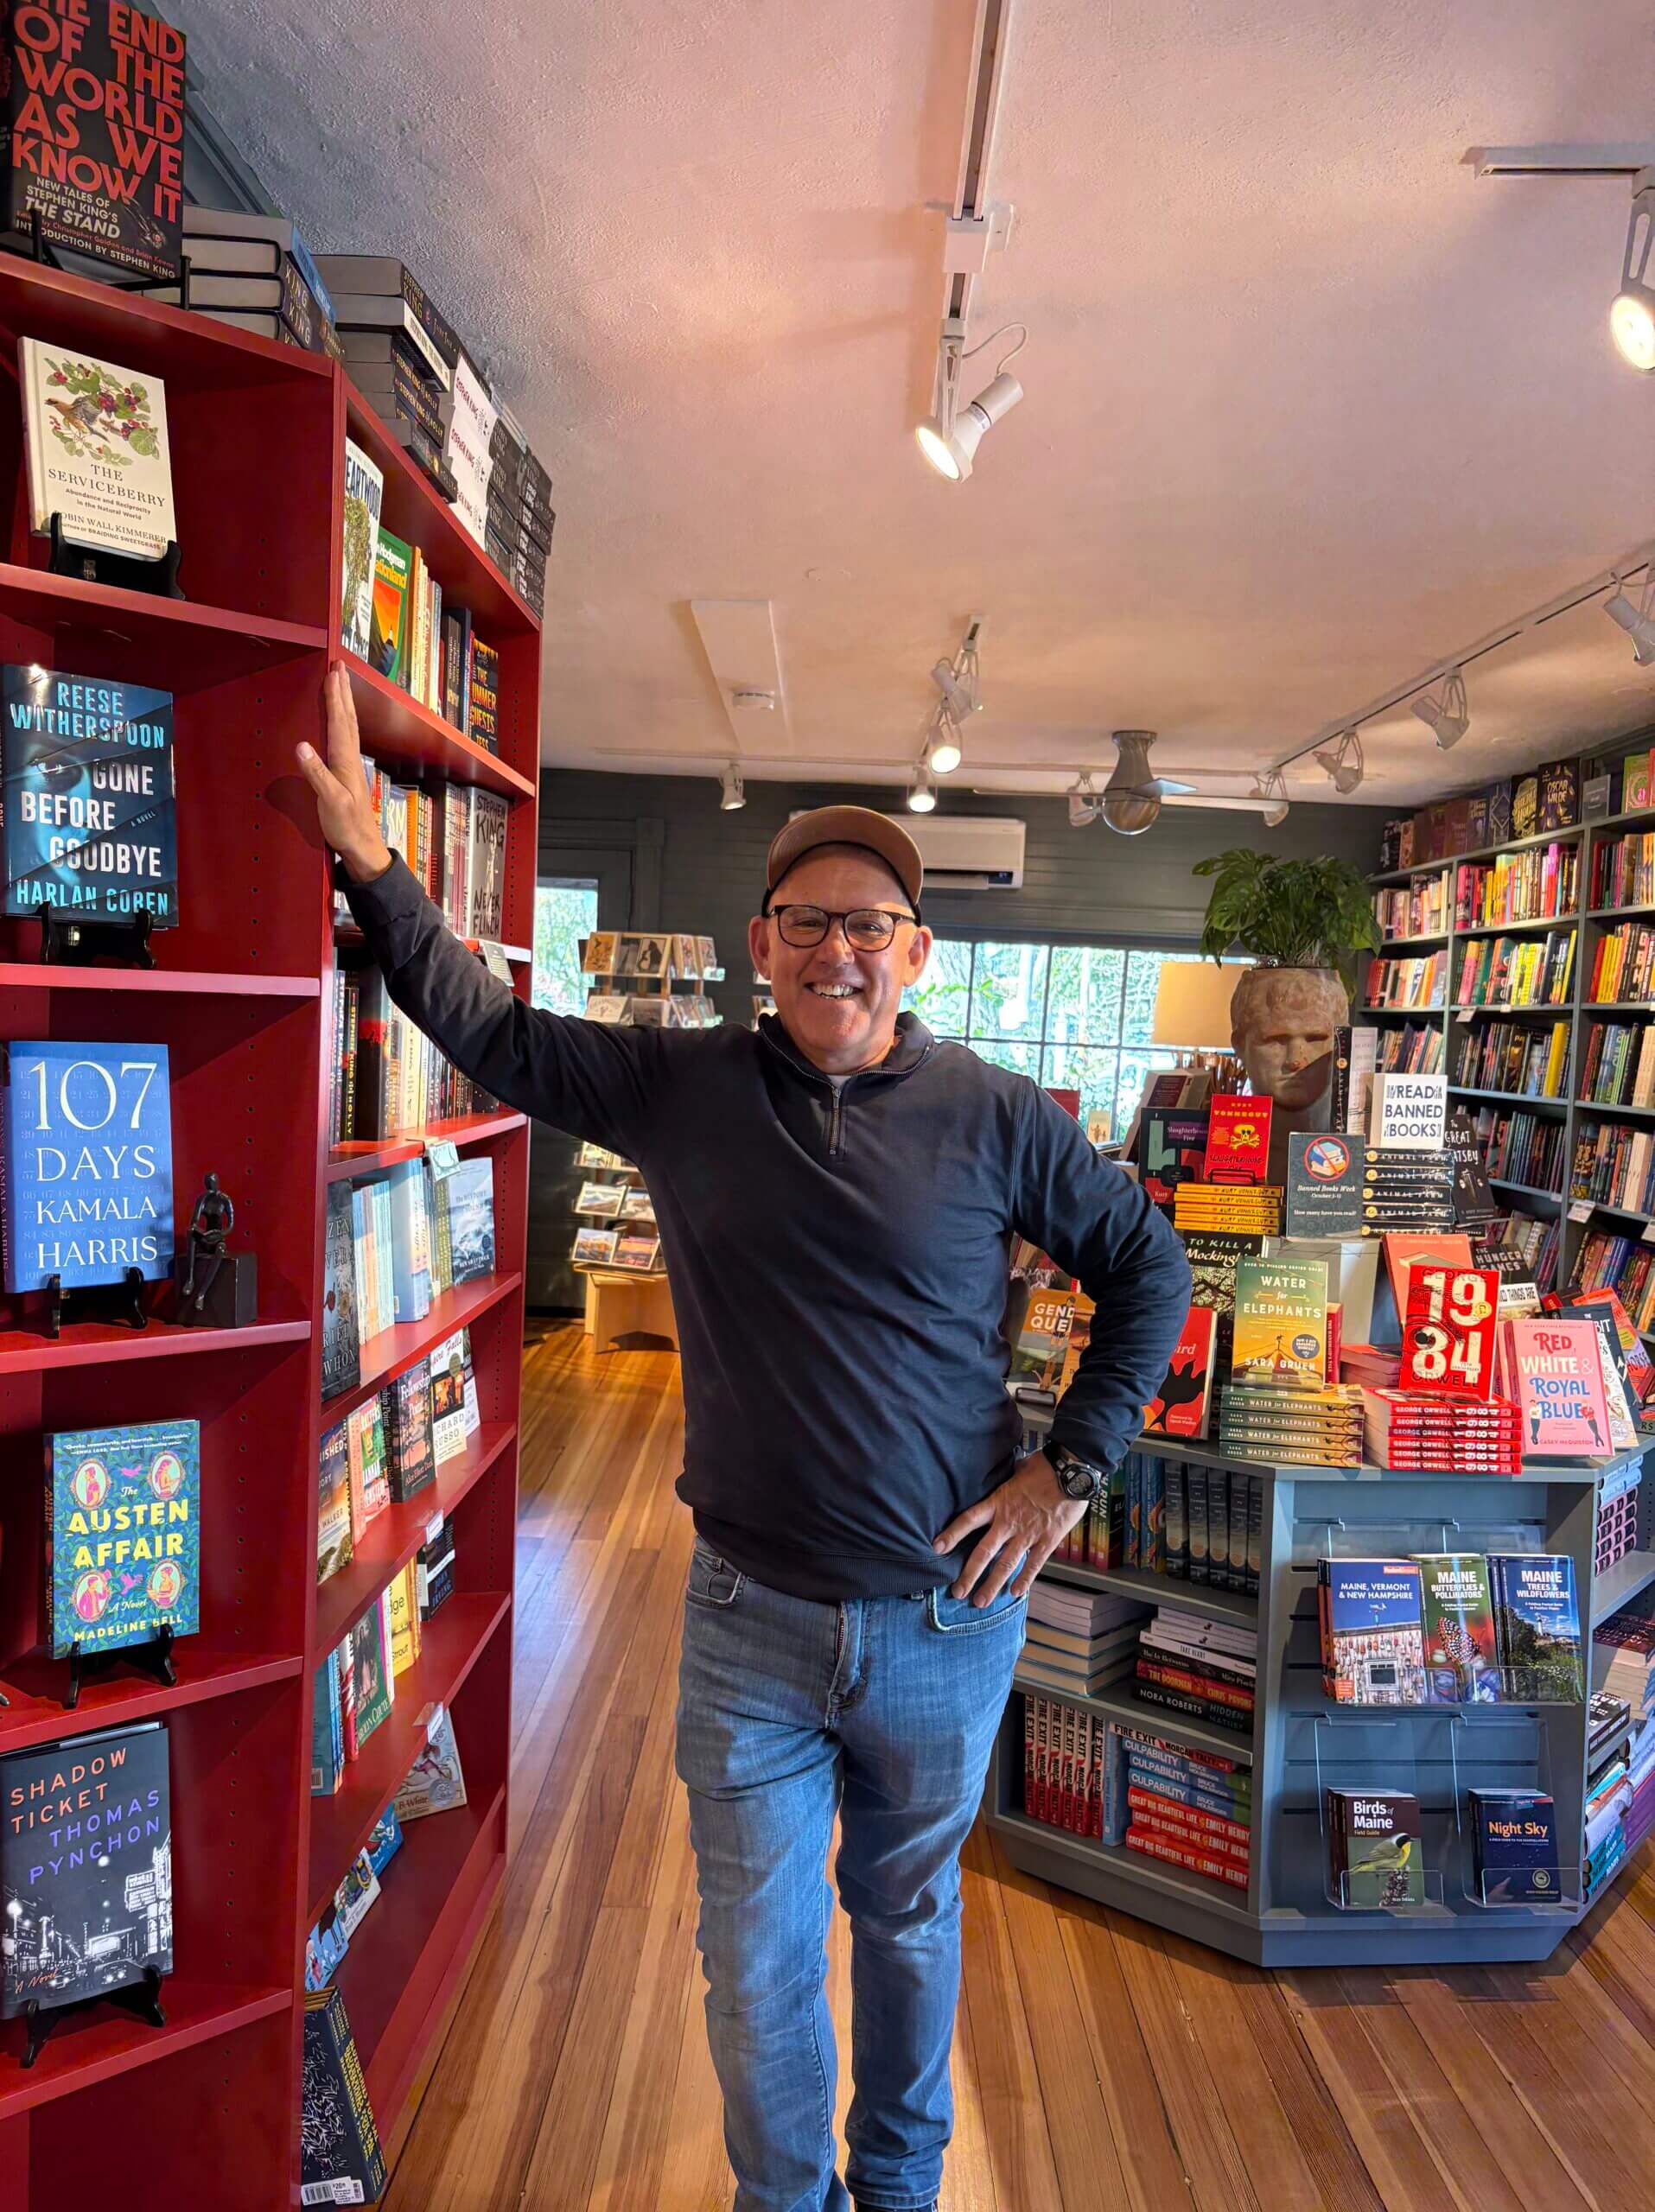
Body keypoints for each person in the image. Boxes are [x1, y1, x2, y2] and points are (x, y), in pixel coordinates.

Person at [297, 668, 1190, 2212]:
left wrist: (1072, 1467)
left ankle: (898, 2193)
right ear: (760, 946)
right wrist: (376, 867)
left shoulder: (997, 1115)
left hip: (946, 1617)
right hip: (747, 1623)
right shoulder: (683, 1084)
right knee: (753, 1958)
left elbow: (1149, 1270)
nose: (838, 950)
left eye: (870, 926)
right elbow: (491, 1032)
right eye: (807, 922)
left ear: (915, 950)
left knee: (908, 1924)